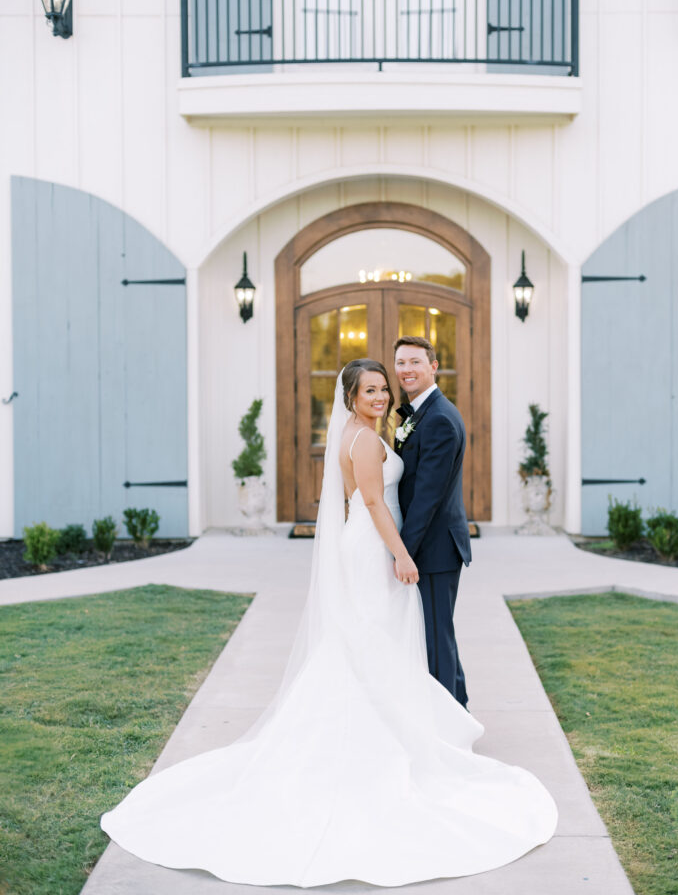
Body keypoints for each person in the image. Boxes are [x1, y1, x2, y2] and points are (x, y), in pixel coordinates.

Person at [100, 359, 557, 887]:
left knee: (370, 643)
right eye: (370, 390)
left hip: (367, 544)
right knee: (370, 642)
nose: (382, 396)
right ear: (350, 396)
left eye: (384, 388)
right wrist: (402, 555)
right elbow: (371, 501)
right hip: (372, 548)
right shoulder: (363, 443)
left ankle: (386, 732)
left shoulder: (364, 432)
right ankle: (369, 744)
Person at [394, 336, 471, 707]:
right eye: (401, 363)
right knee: (438, 636)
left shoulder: (439, 419)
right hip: (430, 546)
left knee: (435, 640)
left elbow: (427, 498)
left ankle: (449, 725)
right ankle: (459, 711)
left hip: (435, 549)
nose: (406, 370)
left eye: (415, 362)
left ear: (433, 366)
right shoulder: (422, 413)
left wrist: (401, 552)